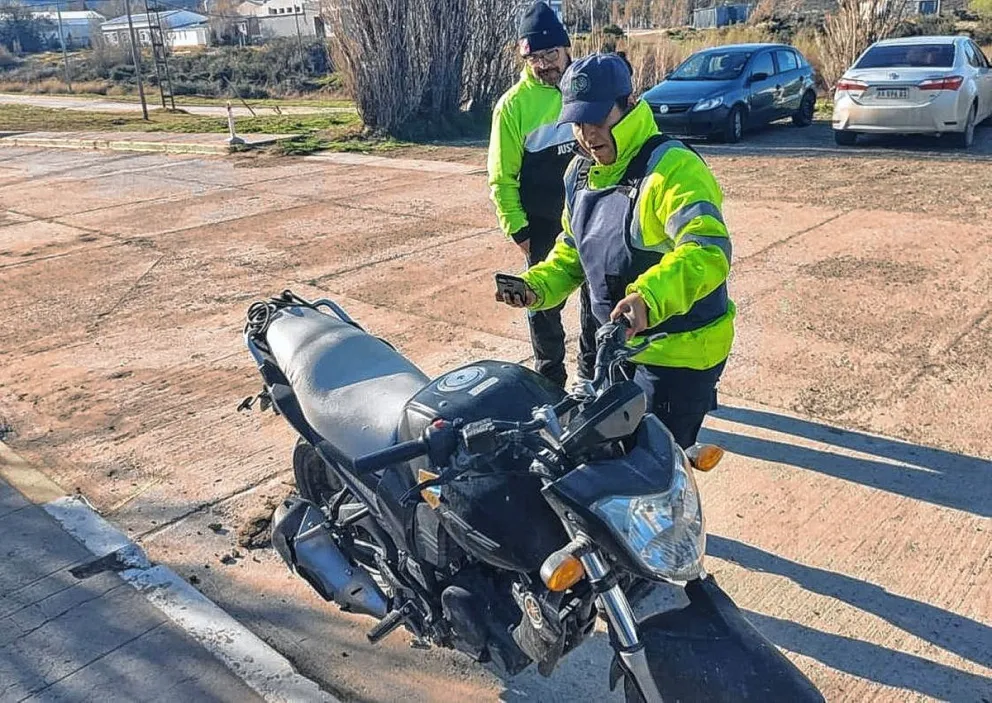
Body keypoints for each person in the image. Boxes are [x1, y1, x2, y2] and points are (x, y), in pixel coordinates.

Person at [496, 53, 734, 449]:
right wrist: (534, 286)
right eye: (576, 122)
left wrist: (649, 298)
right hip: (619, 350)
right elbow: (571, 252)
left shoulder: (673, 168)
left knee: (656, 463)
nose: (587, 135)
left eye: (596, 119)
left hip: (679, 354)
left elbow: (707, 251)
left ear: (630, 105)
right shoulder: (578, 174)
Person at [487, 1, 596, 389]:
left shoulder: (586, 87)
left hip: (592, 215)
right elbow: (501, 178)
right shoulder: (512, 107)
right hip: (542, 224)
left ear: (567, 49)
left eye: (551, 53)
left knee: (596, 299)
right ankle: (550, 380)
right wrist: (519, 230)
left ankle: (590, 372)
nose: (546, 64)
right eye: (535, 57)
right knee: (541, 305)